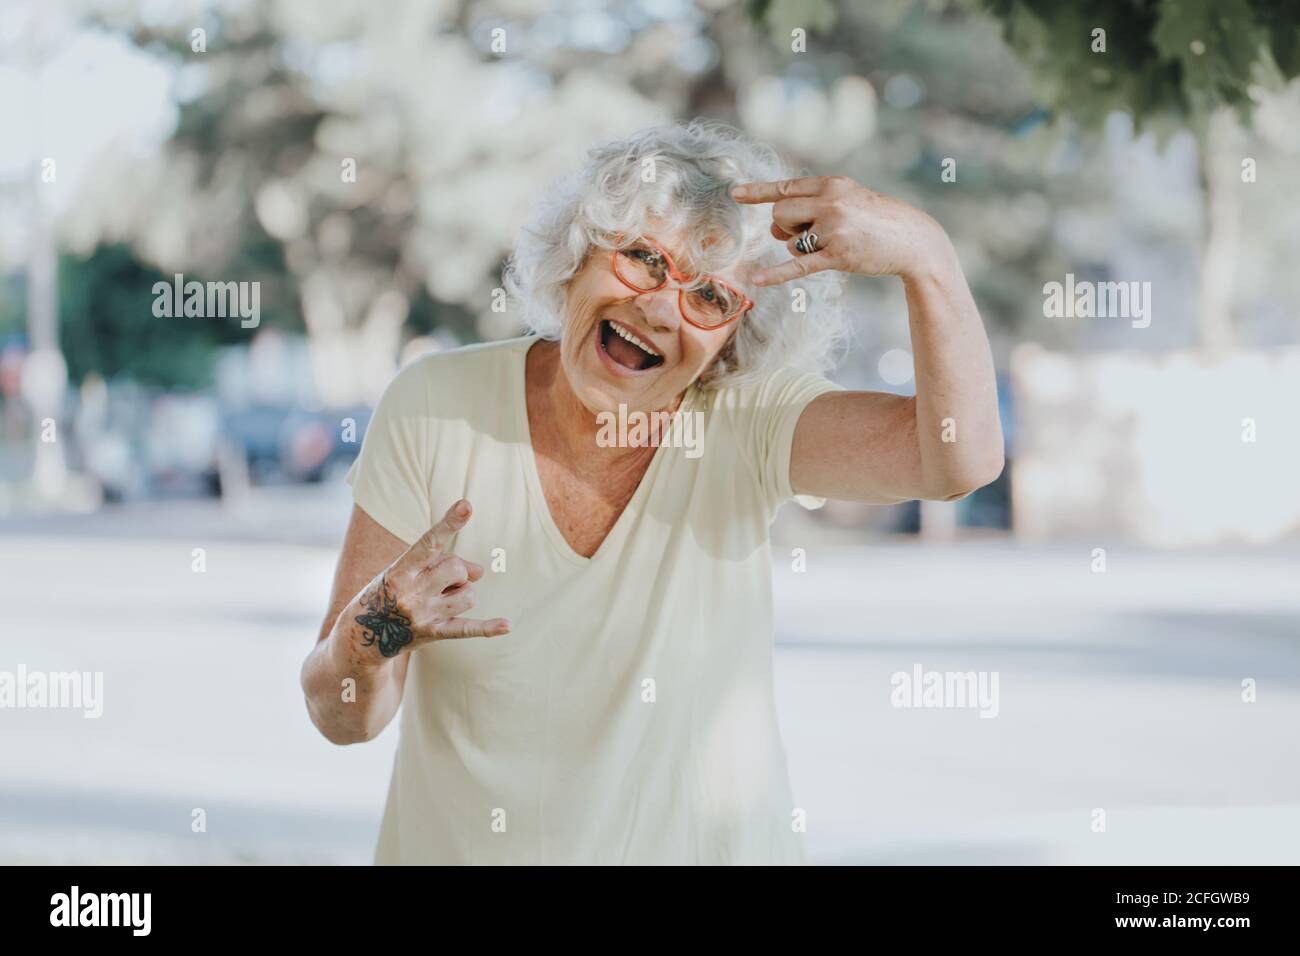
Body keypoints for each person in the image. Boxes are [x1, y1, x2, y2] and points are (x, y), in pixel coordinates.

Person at [300, 120, 1004, 864]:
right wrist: (375, 627)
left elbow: (957, 460)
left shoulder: (748, 420)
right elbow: (342, 717)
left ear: (732, 339)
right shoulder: (435, 404)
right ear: (576, 255)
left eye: (709, 297)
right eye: (642, 259)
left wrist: (927, 258)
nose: (662, 308)